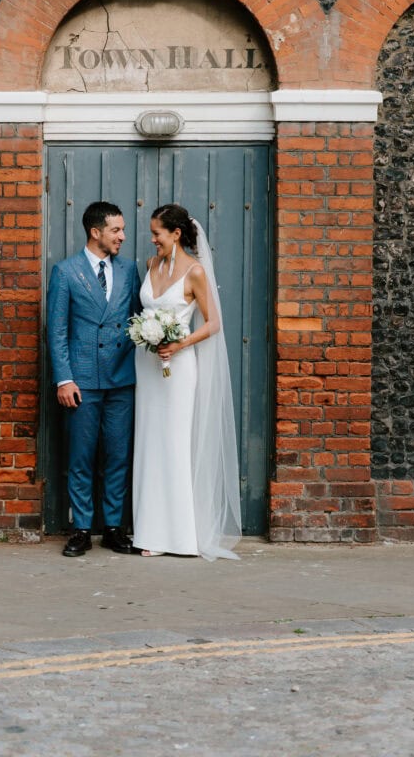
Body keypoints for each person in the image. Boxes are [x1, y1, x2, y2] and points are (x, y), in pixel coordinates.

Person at [132, 204, 242, 560]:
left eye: (157, 234)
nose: (153, 240)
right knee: (149, 442)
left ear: (176, 234)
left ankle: (180, 536)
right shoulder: (150, 266)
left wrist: (180, 344)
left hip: (178, 369)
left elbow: (213, 324)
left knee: (175, 443)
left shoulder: (195, 272)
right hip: (147, 365)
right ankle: (150, 532)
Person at [47, 201, 141, 558]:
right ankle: (82, 529)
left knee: (117, 456)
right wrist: (64, 379)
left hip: (120, 379)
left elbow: (137, 319)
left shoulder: (130, 270)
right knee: (81, 458)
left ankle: (114, 527)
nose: (123, 236)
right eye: (116, 230)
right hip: (82, 381)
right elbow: (56, 332)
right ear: (95, 231)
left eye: (122, 230)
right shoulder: (66, 272)